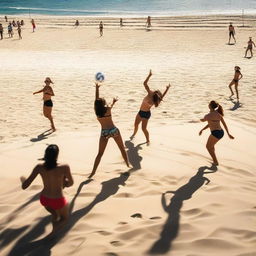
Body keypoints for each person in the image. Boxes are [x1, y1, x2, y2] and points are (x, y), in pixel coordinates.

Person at [21, 144, 73, 237]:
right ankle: (53, 231)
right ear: (57, 155)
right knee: (64, 219)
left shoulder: (39, 167)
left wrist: (22, 180)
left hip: (44, 199)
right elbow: (71, 183)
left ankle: (54, 219)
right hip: (58, 200)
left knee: (54, 214)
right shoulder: (64, 167)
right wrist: (64, 183)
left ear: (46, 154)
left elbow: (25, 186)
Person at [88, 83, 130, 178]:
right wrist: (114, 102)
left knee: (100, 154)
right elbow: (109, 104)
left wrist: (97, 89)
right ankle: (128, 164)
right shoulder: (108, 109)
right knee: (122, 149)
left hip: (104, 133)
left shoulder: (97, 112)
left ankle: (93, 172)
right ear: (103, 104)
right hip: (114, 130)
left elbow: (96, 100)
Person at [131, 70, 170, 144]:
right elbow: (145, 83)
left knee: (143, 128)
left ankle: (148, 140)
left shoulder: (156, 100)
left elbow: (162, 97)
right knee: (136, 125)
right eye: (157, 93)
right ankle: (134, 134)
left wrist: (167, 89)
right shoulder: (150, 93)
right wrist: (149, 75)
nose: (156, 93)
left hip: (146, 114)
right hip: (141, 112)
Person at [199, 100, 234, 166]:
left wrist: (198, 119)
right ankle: (214, 160)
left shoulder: (208, 115)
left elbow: (203, 120)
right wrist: (228, 134)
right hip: (221, 132)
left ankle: (215, 162)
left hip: (216, 133)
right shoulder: (218, 114)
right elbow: (213, 124)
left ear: (210, 106)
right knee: (211, 147)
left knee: (208, 147)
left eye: (209, 104)